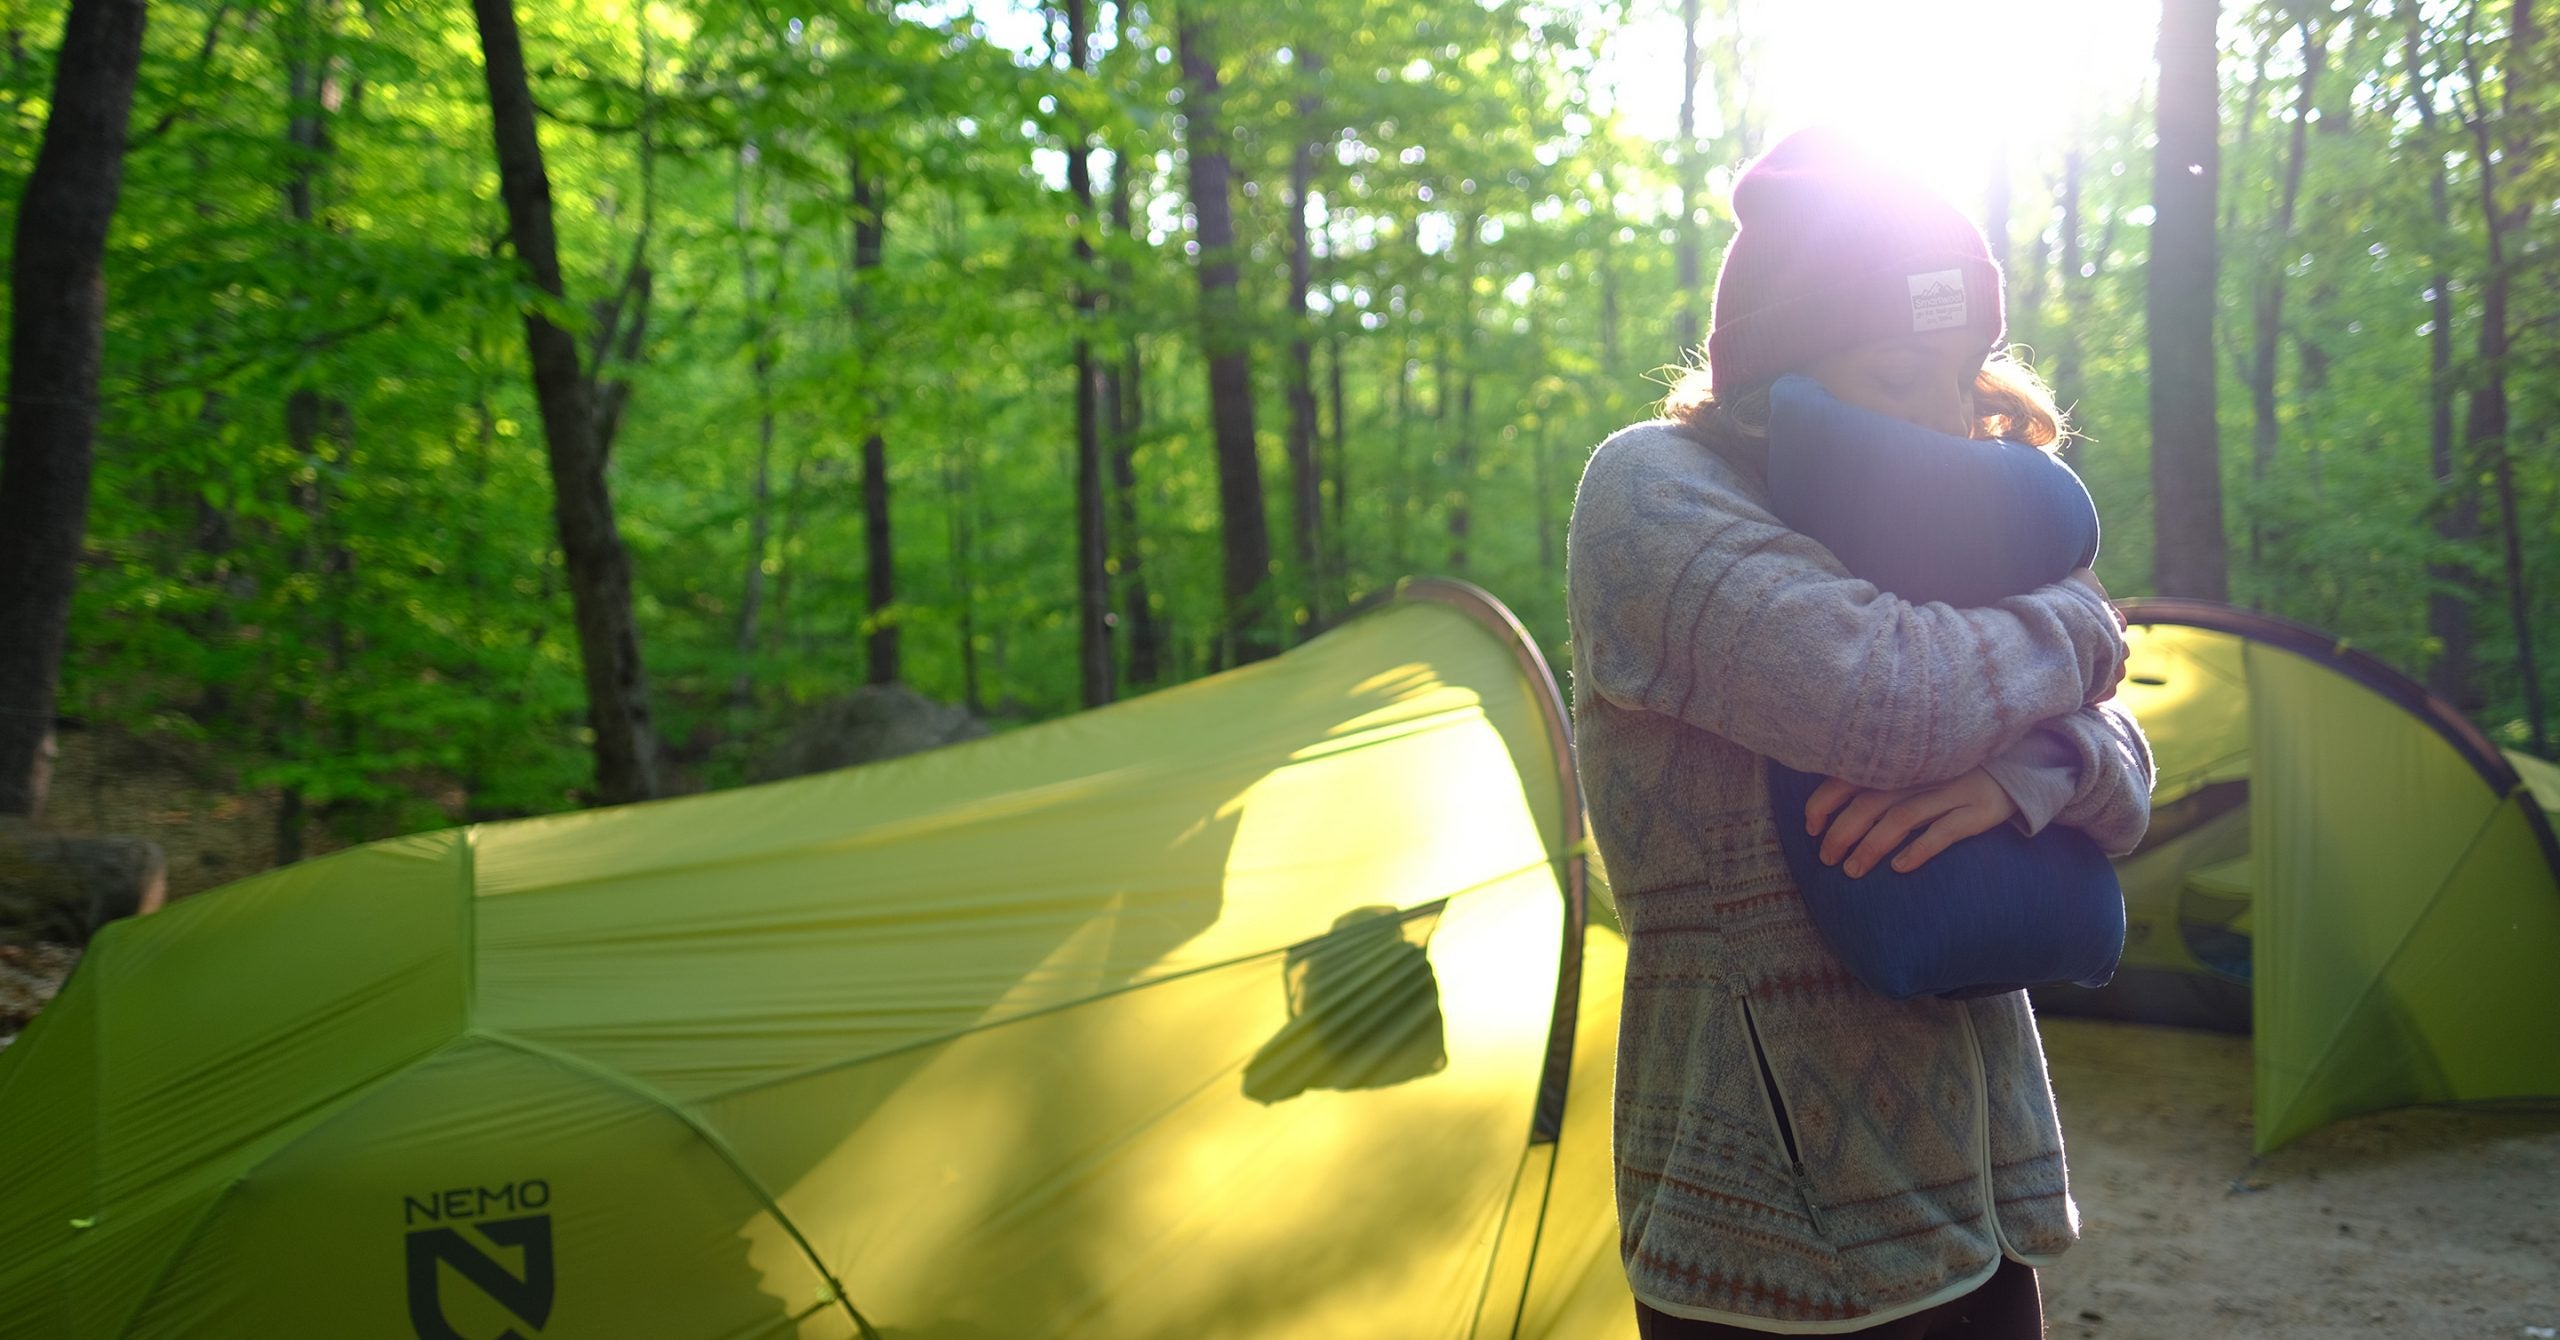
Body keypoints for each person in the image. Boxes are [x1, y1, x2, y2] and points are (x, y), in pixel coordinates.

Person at [1565, 128, 2156, 1337]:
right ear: (1781, 366)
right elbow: (1883, 700)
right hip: (1770, 1236)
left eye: (1960, 375)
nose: (1947, 420)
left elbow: (2127, 765)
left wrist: (2033, 767)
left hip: (1983, 1205)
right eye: (1897, 374)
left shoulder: (1954, 531)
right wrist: (2082, 624)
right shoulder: (1653, 491)